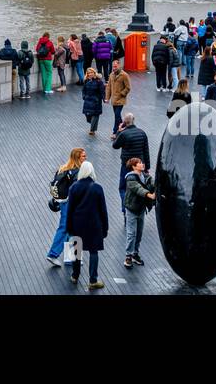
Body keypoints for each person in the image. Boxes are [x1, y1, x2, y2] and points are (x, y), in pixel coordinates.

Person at [65, 161, 109, 290]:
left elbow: (70, 209)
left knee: (75, 251)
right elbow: (103, 211)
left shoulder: (74, 187)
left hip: (77, 224)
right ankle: (93, 280)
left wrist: (69, 227)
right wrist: (105, 228)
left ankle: (75, 275)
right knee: (93, 252)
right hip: (94, 225)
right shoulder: (98, 188)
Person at [47, 147, 85, 266]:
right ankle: (54, 254)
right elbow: (76, 190)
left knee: (68, 227)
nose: (86, 157)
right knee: (67, 228)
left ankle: (71, 257)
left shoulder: (63, 168)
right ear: (77, 158)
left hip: (63, 202)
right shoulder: (78, 171)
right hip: (73, 203)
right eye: (83, 156)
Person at [111, 113, 150, 212]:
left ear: (124, 123)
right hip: (139, 166)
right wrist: (147, 167)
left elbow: (115, 145)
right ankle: (137, 208)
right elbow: (146, 151)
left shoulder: (124, 134)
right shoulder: (142, 133)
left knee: (123, 187)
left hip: (126, 165)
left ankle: (126, 209)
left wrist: (118, 131)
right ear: (134, 120)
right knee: (139, 187)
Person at [122, 157, 154, 269]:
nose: (142, 164)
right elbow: (138, 189)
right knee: (131, 233)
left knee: (139, 233)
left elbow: (152, 182)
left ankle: (135, 253)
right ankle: (128, 256)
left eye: (142, 162)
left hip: (140, 209)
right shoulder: (130, 178)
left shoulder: (145, 176)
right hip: (131, 209)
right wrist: (150, 195)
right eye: (139, 163)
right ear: (134, 166)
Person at [107, 59, 131, 134]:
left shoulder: (124, 75)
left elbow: (128, 87)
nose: (114, 68)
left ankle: (115, 131)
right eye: (113, 66)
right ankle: (123, 127)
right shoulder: (111, 75)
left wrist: (121, 94)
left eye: (115, 66)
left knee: (117, 115)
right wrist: (107, 98)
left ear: (119, 66)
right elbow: (108, 87)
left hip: (120, 100)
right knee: (117, 116)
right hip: (114, 100)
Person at [81, 67, 105, 135]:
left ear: (94, 73)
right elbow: (83, 90)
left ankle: (92, 130)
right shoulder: (86, 81)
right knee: (88, 116)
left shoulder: (98, 81)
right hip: (87, 100)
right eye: (88, 73)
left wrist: (104, 99)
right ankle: (93, 126)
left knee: (95, 115)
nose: (90, 74)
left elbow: (102, 91)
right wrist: (84, 96)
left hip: (96, 101)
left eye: (91, 73)